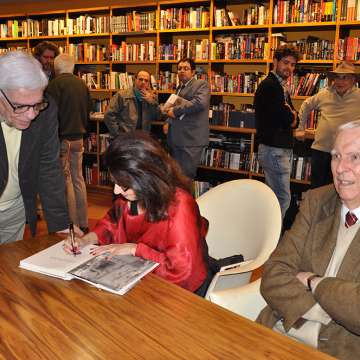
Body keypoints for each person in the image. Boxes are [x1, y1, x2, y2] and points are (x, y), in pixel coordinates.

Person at [257, 120, 360, 359]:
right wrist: (323, 310)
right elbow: (274, 272)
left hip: (335, 349)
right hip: (278, 329)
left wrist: (314, 282)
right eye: (336, 156)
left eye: (354, 157)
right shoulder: (317, 201)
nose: (341, 168)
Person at [64, 131, 210, 295]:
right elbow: (109, 226)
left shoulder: (180, 205)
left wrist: (135, 249)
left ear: (145, 178)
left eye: (123, 184)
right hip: (143, 280)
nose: (116, 190)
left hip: (180, 293)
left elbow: (182, 273)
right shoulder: (130, 197)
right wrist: (84, 241)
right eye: (115, 182)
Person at [0, 50, 69, 244]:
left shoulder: (46, 110)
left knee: (7, 270)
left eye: (36, 104)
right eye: (20, 106)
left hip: (15, 210)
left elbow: (48, 168)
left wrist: (61, 227)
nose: (31, 115)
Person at [47, 54, 92, 233]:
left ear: (56, 68)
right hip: (79, 137)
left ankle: (71, 223)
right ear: (72, 67)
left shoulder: (54, 86)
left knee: (66, 180)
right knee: (78, 178)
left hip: (62, 138)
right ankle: (84, 221)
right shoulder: (82, 84)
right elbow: (88, 108)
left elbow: (49, 115)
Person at [297, 61, 360, 189]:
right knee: (317, 189)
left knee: (343, 189)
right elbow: (306, 105)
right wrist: (300, 128)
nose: (340, 81)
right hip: (321, 150)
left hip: (347, 154)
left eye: (345, 77)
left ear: (353, 80)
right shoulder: (324, 94)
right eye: (337, 77)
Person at [254, 45, 300, 220]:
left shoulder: (281, 88)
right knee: (282, 198)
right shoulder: (270, 86)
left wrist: (292, 116)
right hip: (275, 150)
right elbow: (287, 118)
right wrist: (292, 117)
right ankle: (273, 241)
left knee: (274, 198)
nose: (289, 68)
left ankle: (268, 239)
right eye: (286, 63)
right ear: (275, 62)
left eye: (293, 65)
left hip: (277, 149)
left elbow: (295, 118)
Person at [162, 57, 210, 179]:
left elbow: (199, 103)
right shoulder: (179, 88)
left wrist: (175, 111)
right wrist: (168, 121)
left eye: (186, 68)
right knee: (176, 177)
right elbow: (173, 106)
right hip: (176, 139)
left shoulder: (202, 84)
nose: (182, 71)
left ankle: (186, 199)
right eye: (179, 69)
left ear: (193, 72)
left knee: (186, 177)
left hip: (190, 140)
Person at [103, 70, 160, 138]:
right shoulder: (122, 95)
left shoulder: (152, 97)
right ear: (135, 80)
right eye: (140, 79)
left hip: (143, 137)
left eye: (146, 80)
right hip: (126, 137)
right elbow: (108, 115)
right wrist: (118, 134)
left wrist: (152, 102)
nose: (143, 82)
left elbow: (157, 116)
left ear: (148, 83)